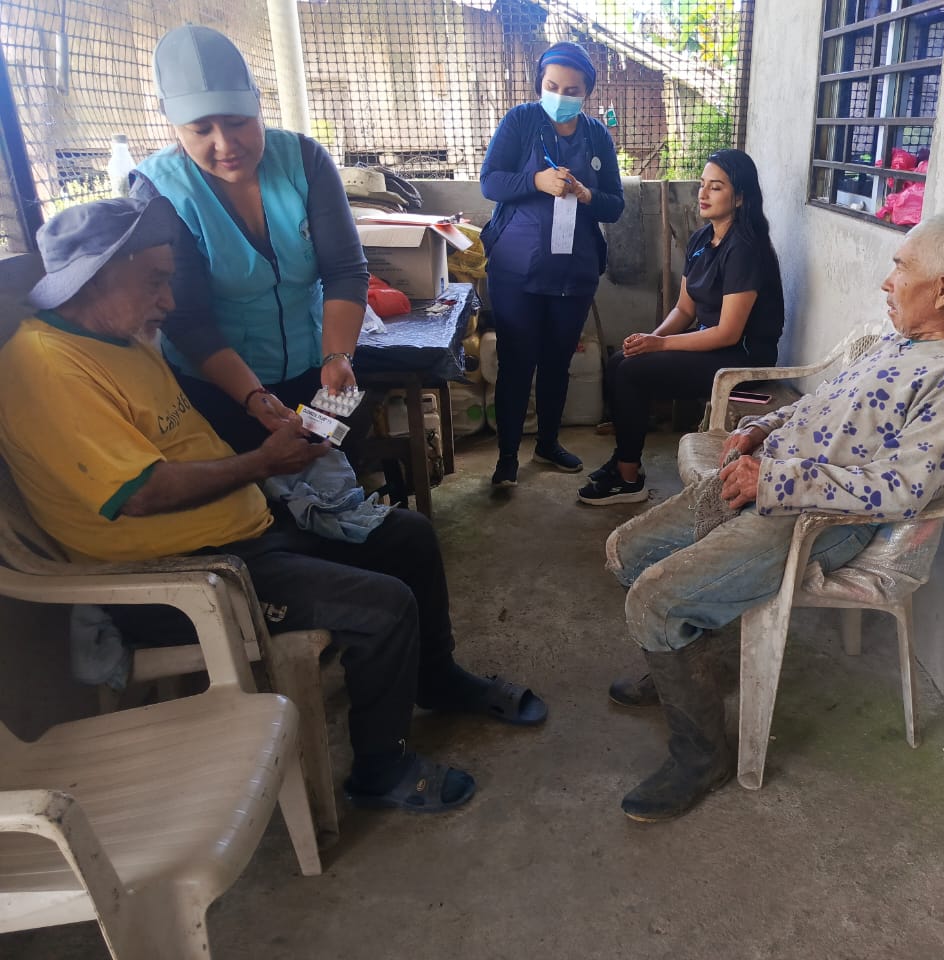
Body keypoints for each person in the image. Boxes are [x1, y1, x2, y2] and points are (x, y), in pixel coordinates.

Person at [0, 197, 548, 814]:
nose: (169, 301)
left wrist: (267, 423)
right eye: (154, 281)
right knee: (382, 606)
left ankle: (437, 679)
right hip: (181, 575)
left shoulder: (117, 337)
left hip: (241, 529)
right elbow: (143, 493)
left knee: (408, 535)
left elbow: (176, 445)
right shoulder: (48, 367)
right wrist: (263, 463)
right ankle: (381, 769)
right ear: (94, 278)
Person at [603, 211, 944, 821]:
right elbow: (826, 402)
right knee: (626, 553)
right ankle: (685, 658)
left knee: (654, 601)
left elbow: (901, 489)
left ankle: (702, 756)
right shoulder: (904, 341)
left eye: (902, 268)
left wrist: (774, 479)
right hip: (770, 478)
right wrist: (761, 428)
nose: (888, 281)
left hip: (819, 523)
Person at [131, 25, 370, 454]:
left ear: (258, 105)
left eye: (238, 122)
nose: (225, 144)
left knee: (332, 454)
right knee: (258, 477)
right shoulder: (159, 191)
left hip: (317, 366)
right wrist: (253, 396)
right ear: (175, 126)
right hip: (220, 386)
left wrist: (338, 357)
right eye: (201, 130)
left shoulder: (305, 160)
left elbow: (345, 270)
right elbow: (186, 318)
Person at [578, 148, 784, 506]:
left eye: (716, 187)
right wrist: (650, 339)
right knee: (621, 361)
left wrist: (660, 346)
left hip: (742, 357)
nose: (703, 193)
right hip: (711, 344)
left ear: (739, 198)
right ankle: (626, 459)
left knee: (632, 374)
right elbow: (685, 308)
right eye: (703, 184)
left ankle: (627, 479)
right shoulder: (702, 239)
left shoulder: (746, 249)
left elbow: (728, 333)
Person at [479, 41, 625, 488]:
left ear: (587, 92)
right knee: (516, 362)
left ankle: (547, 443)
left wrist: (588, 194)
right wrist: (535, 181)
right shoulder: (521, 120)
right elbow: (490, 182)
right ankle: (507, 457)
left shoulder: (597, 135)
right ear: (540, 83)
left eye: (572, 89)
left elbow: (615, 205)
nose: (561, 95)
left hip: (573, 272)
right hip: (517, 272)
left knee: (557, 362)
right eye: (552, 85)